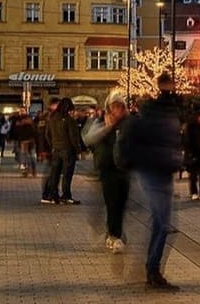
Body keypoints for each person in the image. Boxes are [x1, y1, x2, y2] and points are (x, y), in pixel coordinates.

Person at [116, 72, 184, 289]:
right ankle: (151, 269)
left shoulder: (165, 109)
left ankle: (150, 267)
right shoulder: (158, 111)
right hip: (153, 171)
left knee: (161, 223)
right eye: (169, 85)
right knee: (162, 223)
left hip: (161, 171)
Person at [84, 97, 130, 250]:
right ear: (110, 108)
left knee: (121, 204)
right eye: (115, 107)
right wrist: (107, 128)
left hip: (124, 168)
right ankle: (114, 236)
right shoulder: (100, 121)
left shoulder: (127, 124)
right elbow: (89, 138)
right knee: (112, 203)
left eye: (120, 107)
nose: (118, 111)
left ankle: (114, 232)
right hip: (106, 168)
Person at [41, 97, 83, 205]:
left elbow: (47, 135)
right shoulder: (69, 120)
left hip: (56, 150)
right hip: (68, 150)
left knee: (55, 173)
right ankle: (66, 196)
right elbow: (74, 137)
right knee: (67, 174)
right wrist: (78, 150)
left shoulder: (52, 119)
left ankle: (53, 195)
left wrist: (53, 145)